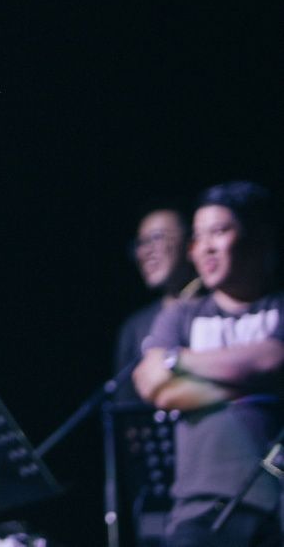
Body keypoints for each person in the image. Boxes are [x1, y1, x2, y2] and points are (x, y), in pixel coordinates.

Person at [133, 182, 284, 547]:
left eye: (219, 232)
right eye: (198, 237)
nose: (205, 248)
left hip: (276, 504)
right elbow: (156, 387)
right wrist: (254, 382)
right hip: (198, 509)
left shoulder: (278, 306)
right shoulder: (181, 315)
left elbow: (275, 357)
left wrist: (177, 359)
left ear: (257, 239)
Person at [115, 205, 199, 400]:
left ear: (190, 243)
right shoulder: (136, 326)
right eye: (140, 243)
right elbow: (125, 405)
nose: (145, 252)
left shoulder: (221, 308)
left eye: (157, 237)